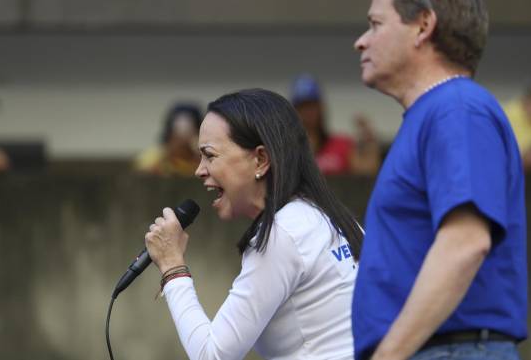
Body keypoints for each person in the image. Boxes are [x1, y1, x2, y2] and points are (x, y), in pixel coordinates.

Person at [351, 0, 527, 360]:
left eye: (375, 24)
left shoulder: (455, 108)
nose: (360, 42)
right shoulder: (440, 112)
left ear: (423, 26)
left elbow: (465, 242)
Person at [144, 88, 364, 360]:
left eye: (210, 155)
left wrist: (172, 267)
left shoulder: (282, 234)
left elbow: (211, 355)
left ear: (260, 159)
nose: (199, 170)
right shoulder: (328, 217)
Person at [291, 74, 381, 175]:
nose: (308, 112)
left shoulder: (341, 145)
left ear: (321, 108)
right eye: (303, 107)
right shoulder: (287, 150)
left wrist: (369, 138)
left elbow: (367, 171)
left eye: (312, 106)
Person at [134, 102, 202, 176]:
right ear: (169, 132)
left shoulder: (202, 159)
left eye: (189, 131)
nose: (182, 139)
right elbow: (141, 174)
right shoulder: (153, 158)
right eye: (177, 131)